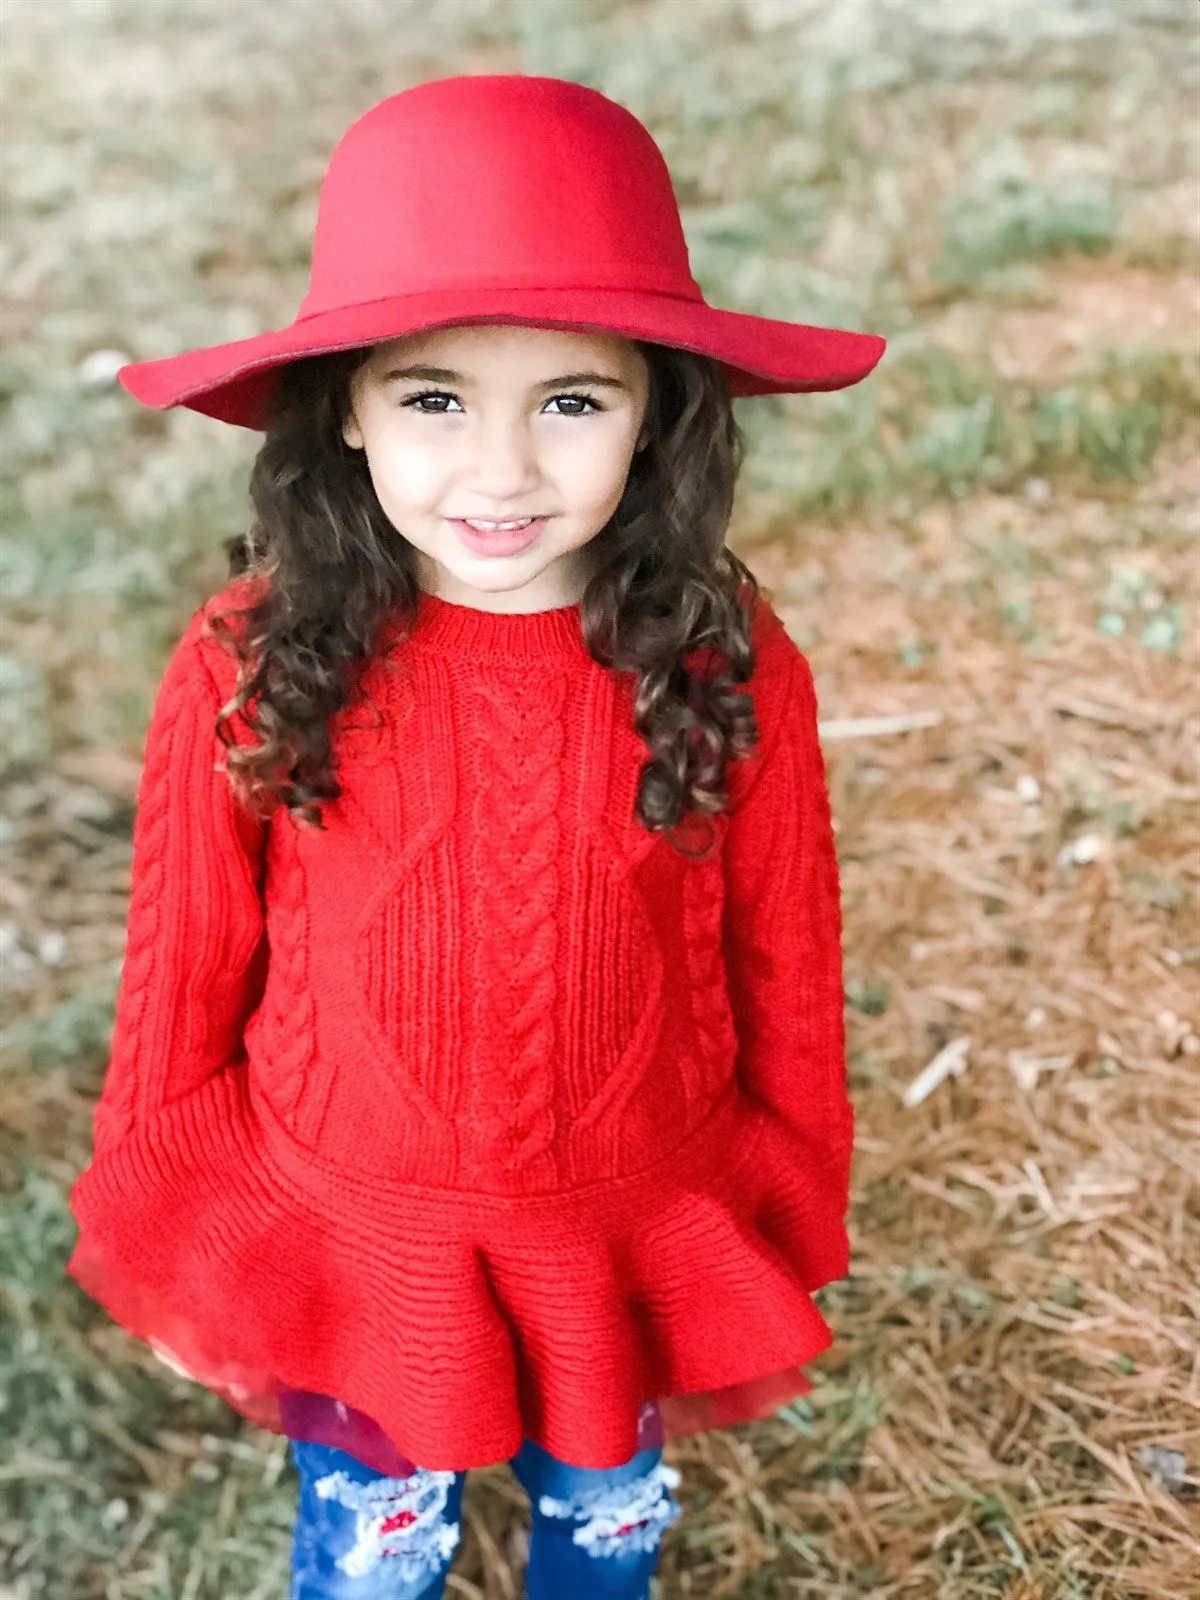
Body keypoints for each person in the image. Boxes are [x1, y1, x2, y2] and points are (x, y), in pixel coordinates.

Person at [66, 74, 885, 1600]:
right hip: (358, 1206)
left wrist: (794, 1165)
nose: (502, 471)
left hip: (627, 1200)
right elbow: (189, 954)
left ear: (656, 417)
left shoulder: (716, 655)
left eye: (572, 400)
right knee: (376, 1554)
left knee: (603, 1520)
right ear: (348, 418)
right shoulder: (258, 654)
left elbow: (784, 937)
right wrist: (164, 1184)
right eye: (435, 397)